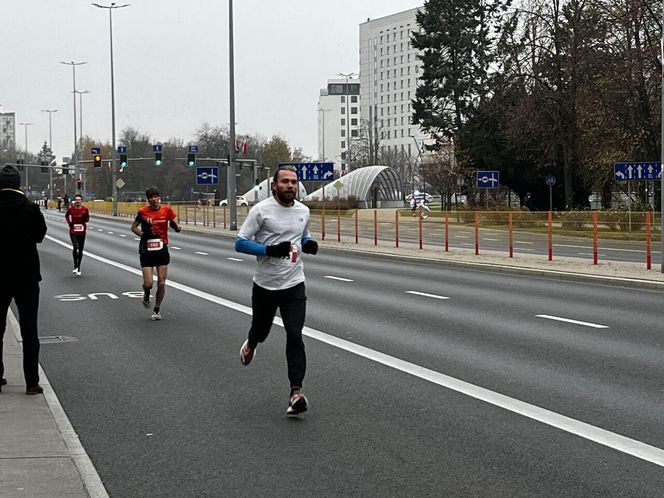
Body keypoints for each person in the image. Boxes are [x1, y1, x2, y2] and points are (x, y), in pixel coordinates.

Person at [235, 166, 319, 416]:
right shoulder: (261, 211)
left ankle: (296, 392)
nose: (290, 186)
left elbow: (302, 235)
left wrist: (308, 243)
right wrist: (268, 250)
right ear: (274, 185)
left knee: (295, 335)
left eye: (293, 182)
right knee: (261, 331)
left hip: (294, 284)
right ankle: (251, 342)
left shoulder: (303, 211)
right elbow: (240, 243)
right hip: (265, 286)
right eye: (285, 182)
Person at [0, 165, 47, 395]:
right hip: (26, 274)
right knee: (29, 328)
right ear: (18, 184)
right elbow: (39, 235)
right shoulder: (30, 208)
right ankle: (31, 382)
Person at [131, 186, 180, 320]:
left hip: (161, 248)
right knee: (148, 283)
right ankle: (146, 293)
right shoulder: (142, 212)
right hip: (146, 250)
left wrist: (176, 227)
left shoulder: (167, 210)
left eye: (156, 196)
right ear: (148, 199)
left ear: (159, 197)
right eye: (151, 197)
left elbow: (177, 226)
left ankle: (157, 309)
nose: (154, 199)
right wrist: (143, 235)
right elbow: (133, 227)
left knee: (162, 283)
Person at [65, 194, 90, 276]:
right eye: (76, 199)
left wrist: (85, 217)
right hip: (73, 231)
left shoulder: (85, 209)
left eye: (79, 200)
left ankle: (78, 267)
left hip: (82, 232)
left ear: (81, 201)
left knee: (81, 249)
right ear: (75, 201)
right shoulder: (71, 209)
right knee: (75, 246)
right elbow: (66, 216)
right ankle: (75, 264)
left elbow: (87, 219)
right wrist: (69, 223)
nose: (77, 201)